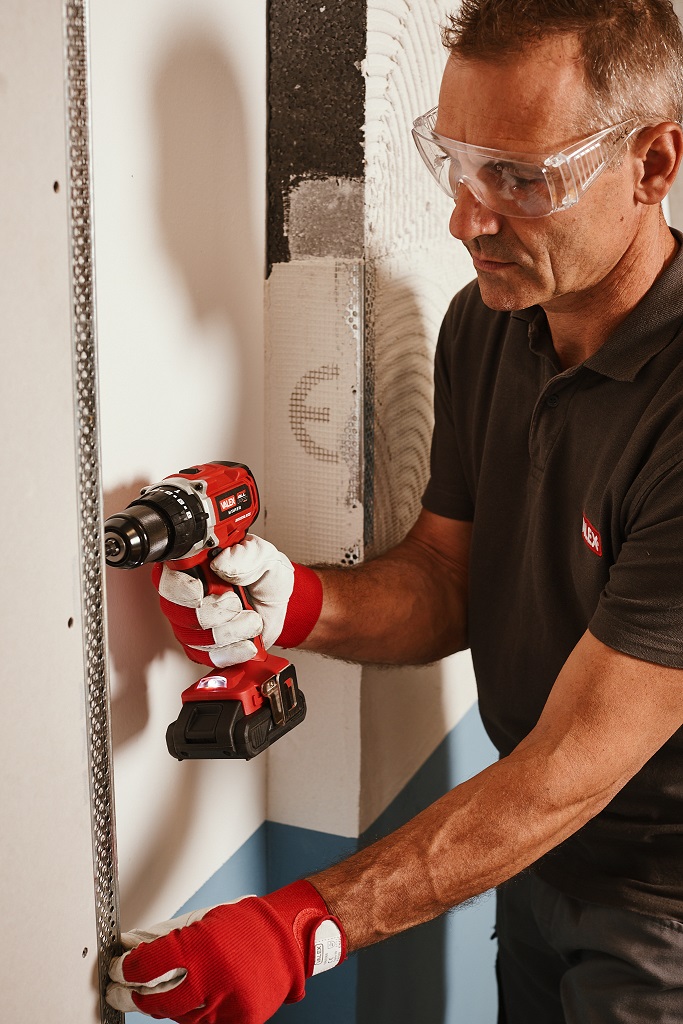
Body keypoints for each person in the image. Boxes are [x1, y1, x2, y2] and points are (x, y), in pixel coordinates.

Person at [107, 2, 683, 1021]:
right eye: (455, 164)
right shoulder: (486, 324)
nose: (467, 220)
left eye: (519, 179)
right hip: (529, 853)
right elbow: (447, 577)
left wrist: (303, 925)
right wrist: (293, 603)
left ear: (652, 165)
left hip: (659, 904)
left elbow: (573, 763)